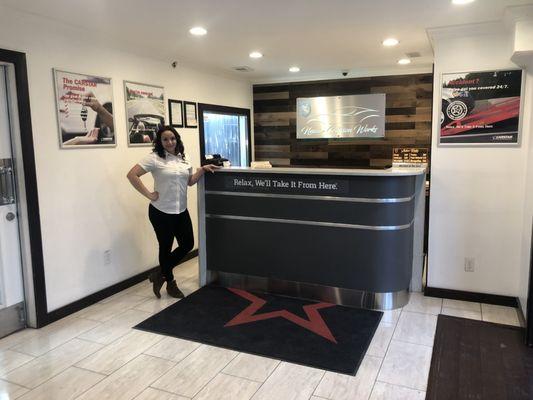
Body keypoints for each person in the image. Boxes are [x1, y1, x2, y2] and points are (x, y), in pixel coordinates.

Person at [126, 126, 219, 298]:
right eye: (165, 139)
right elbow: (132, 175)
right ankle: (170, 283)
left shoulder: (184, 158)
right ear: (160, 142)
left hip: (180, 210)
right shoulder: (154, 158)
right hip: (161, 211)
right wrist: (149, 194)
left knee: (187, 244)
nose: (170, 142)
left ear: (177, 139)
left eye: (172, 138)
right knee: (166, 247)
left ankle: (159, 274)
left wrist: (201, 170)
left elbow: (189, 182)